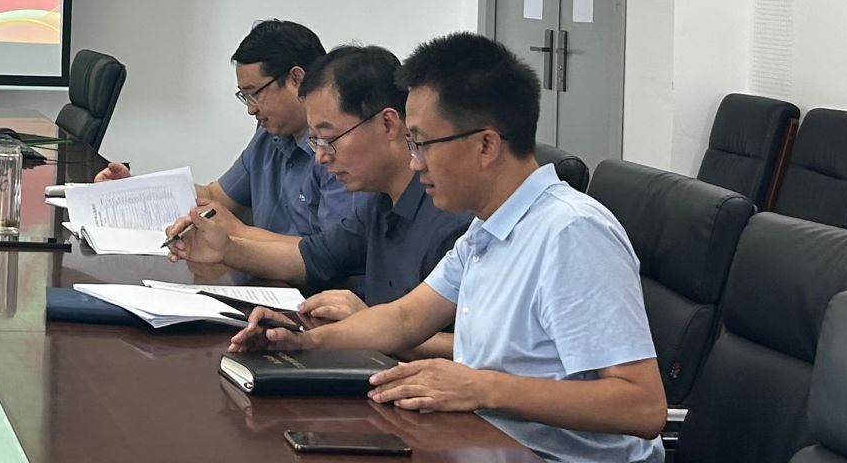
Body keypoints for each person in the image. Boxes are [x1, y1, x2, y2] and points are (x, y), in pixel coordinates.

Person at [228, 32, 666, 463]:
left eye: (422, 144)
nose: (414, 161)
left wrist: (482, 387)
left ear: (486, 144)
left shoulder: (571, 233)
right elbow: (405, 318)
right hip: (480, 439)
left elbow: (642, 407)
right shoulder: (486, 228)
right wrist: (302, 341)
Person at [165, 45, 470, 344]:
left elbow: (472, 351)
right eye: (315, 142)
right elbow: (310, 258)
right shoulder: (381, 204)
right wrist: (227, 249)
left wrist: (366, 322)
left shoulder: (452, 220)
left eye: (329, 139)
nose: (321, 157)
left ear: (388, 123)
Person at [94, 20, 359, 238]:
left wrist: (237, 235)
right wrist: (133, 191)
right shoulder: (269, 135)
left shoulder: (336, 151)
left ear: (296, 79)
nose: (251, 110)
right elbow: (216, 196)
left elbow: (329, 256)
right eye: (245, 97)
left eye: (254, 94)